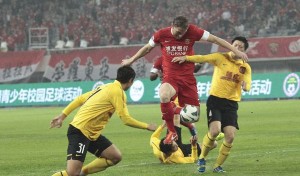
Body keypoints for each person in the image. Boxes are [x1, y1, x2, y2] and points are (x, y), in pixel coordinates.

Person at [122, 16, 248, 144]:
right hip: (171, 77)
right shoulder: (161, 34)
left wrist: (235, 50)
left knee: (193, 117)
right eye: (178, 32)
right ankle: (172, 132)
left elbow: (215, 39)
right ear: (172, 26)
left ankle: (172, 110)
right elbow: (147, 48)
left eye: (183, 33)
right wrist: (131, 60)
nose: (180, 36)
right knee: (164, 95)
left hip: (188, 79)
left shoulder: (193, 31)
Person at [50, 66, 157, 176]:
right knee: (72, 174)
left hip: (92, 134)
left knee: (115, 157)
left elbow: (80, 99)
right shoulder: (117, 92)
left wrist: (62, 116)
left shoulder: (106, 87)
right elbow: (126, 119)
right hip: (80, 131)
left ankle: (83, 172)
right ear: (130, 80)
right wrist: (147, 126)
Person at [172, 36, 252, 173]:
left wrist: (246, 87)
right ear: (230, 45)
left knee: (230, 136)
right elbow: (202, 58)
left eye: (241, 47)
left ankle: (217, 166)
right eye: (235, 45)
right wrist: (186, 58)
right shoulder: (220, 57)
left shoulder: (245, 67)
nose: (237, 49)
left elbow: (248, 84)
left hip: (232, 104)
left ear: (244, 51)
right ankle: (202, 157)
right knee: (214, 131)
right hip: (215, 100)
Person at [150, 115, 224, 164]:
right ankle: (212, 138)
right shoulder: (177, 159)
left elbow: (153, 137)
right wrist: (194, 145)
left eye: (173, 142)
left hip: (170, 146)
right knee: (214, 144)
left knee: (176, 117)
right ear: (170, 152)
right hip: (183, 152)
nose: (176, 143)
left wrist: (163, 125)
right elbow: (193, 159)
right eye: (174, 146)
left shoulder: (157, 147)